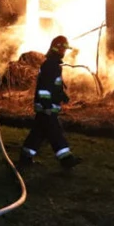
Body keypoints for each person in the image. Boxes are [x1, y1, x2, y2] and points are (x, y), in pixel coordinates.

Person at [18, 35, 82, 169]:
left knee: (38, 133)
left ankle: (25, 157)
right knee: (55, 133)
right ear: (57, 48)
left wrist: (62, 95)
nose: (64, 52)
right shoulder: (51, 65)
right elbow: (44, 89)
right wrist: (46, 106)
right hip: (46, 107)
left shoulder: (53, 64)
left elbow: (53, 85)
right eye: (63, 49)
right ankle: (66, 159)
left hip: (45, 107)